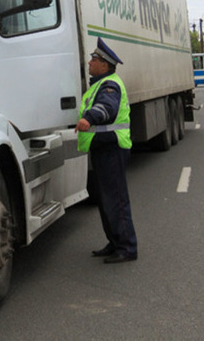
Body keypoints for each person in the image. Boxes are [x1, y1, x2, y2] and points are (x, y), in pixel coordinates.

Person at [75, 37, 138, 264]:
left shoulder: (110, 85)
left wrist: (88, 118)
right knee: (105, 199)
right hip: (103, 148)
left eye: (94, 59)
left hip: (113, 148)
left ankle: (127, 247)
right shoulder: (99, 84)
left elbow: (107, 109)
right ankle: (115, 241)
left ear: (104, 64)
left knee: (116, 199)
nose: (90, 62)